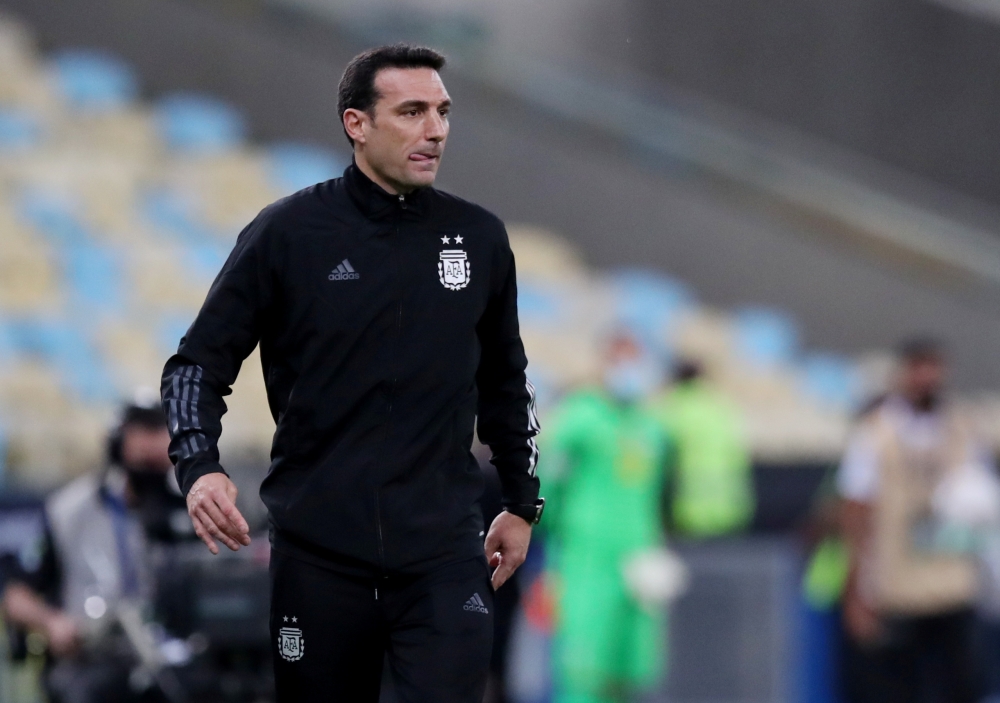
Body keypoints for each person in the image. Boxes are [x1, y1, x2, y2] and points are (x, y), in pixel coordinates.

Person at [159, 44, 543, 703]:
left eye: (444, 112)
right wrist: (199, 467)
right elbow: (195, 365)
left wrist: (520, 499)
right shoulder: (287, 234)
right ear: (356, 123)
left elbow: (507, 382)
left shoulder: (478, 238)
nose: (436, 129)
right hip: (320, 558)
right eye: (413, 111)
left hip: (444, 556)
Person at [0, 392, 189, 703]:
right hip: (91, 657)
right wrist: (52, 623)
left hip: (175, 656)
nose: (153, 442)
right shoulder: (69, 511)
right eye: (143, 430)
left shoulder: (189, 506)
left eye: (161, 429)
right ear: (119, 439)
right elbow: (15, 594)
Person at [838, 339, 996, 703]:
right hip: (897, 589)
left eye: (933, 367)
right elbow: (856, 509)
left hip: (954, 588)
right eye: (918, 367)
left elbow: (983, 505)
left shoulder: (962, 427)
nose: (926, 377)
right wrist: (856, 591)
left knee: (962, 686)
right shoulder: (876, 432)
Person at [539, 330, 672, 703]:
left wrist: (655, 545)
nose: (629, 370)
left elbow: (654, 495)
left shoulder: (651, 426)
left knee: (631, 670)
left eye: (635, 360)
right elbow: (546, 481)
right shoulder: (580, 417)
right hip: (586, 561)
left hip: (637, 562)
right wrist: (551, 535)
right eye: (620, 360)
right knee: (583, 671)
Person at [651, 360, 754, 538]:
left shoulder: (672, 409)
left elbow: (657, 458)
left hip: (689, 512)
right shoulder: (721, 408)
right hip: (730, 508)